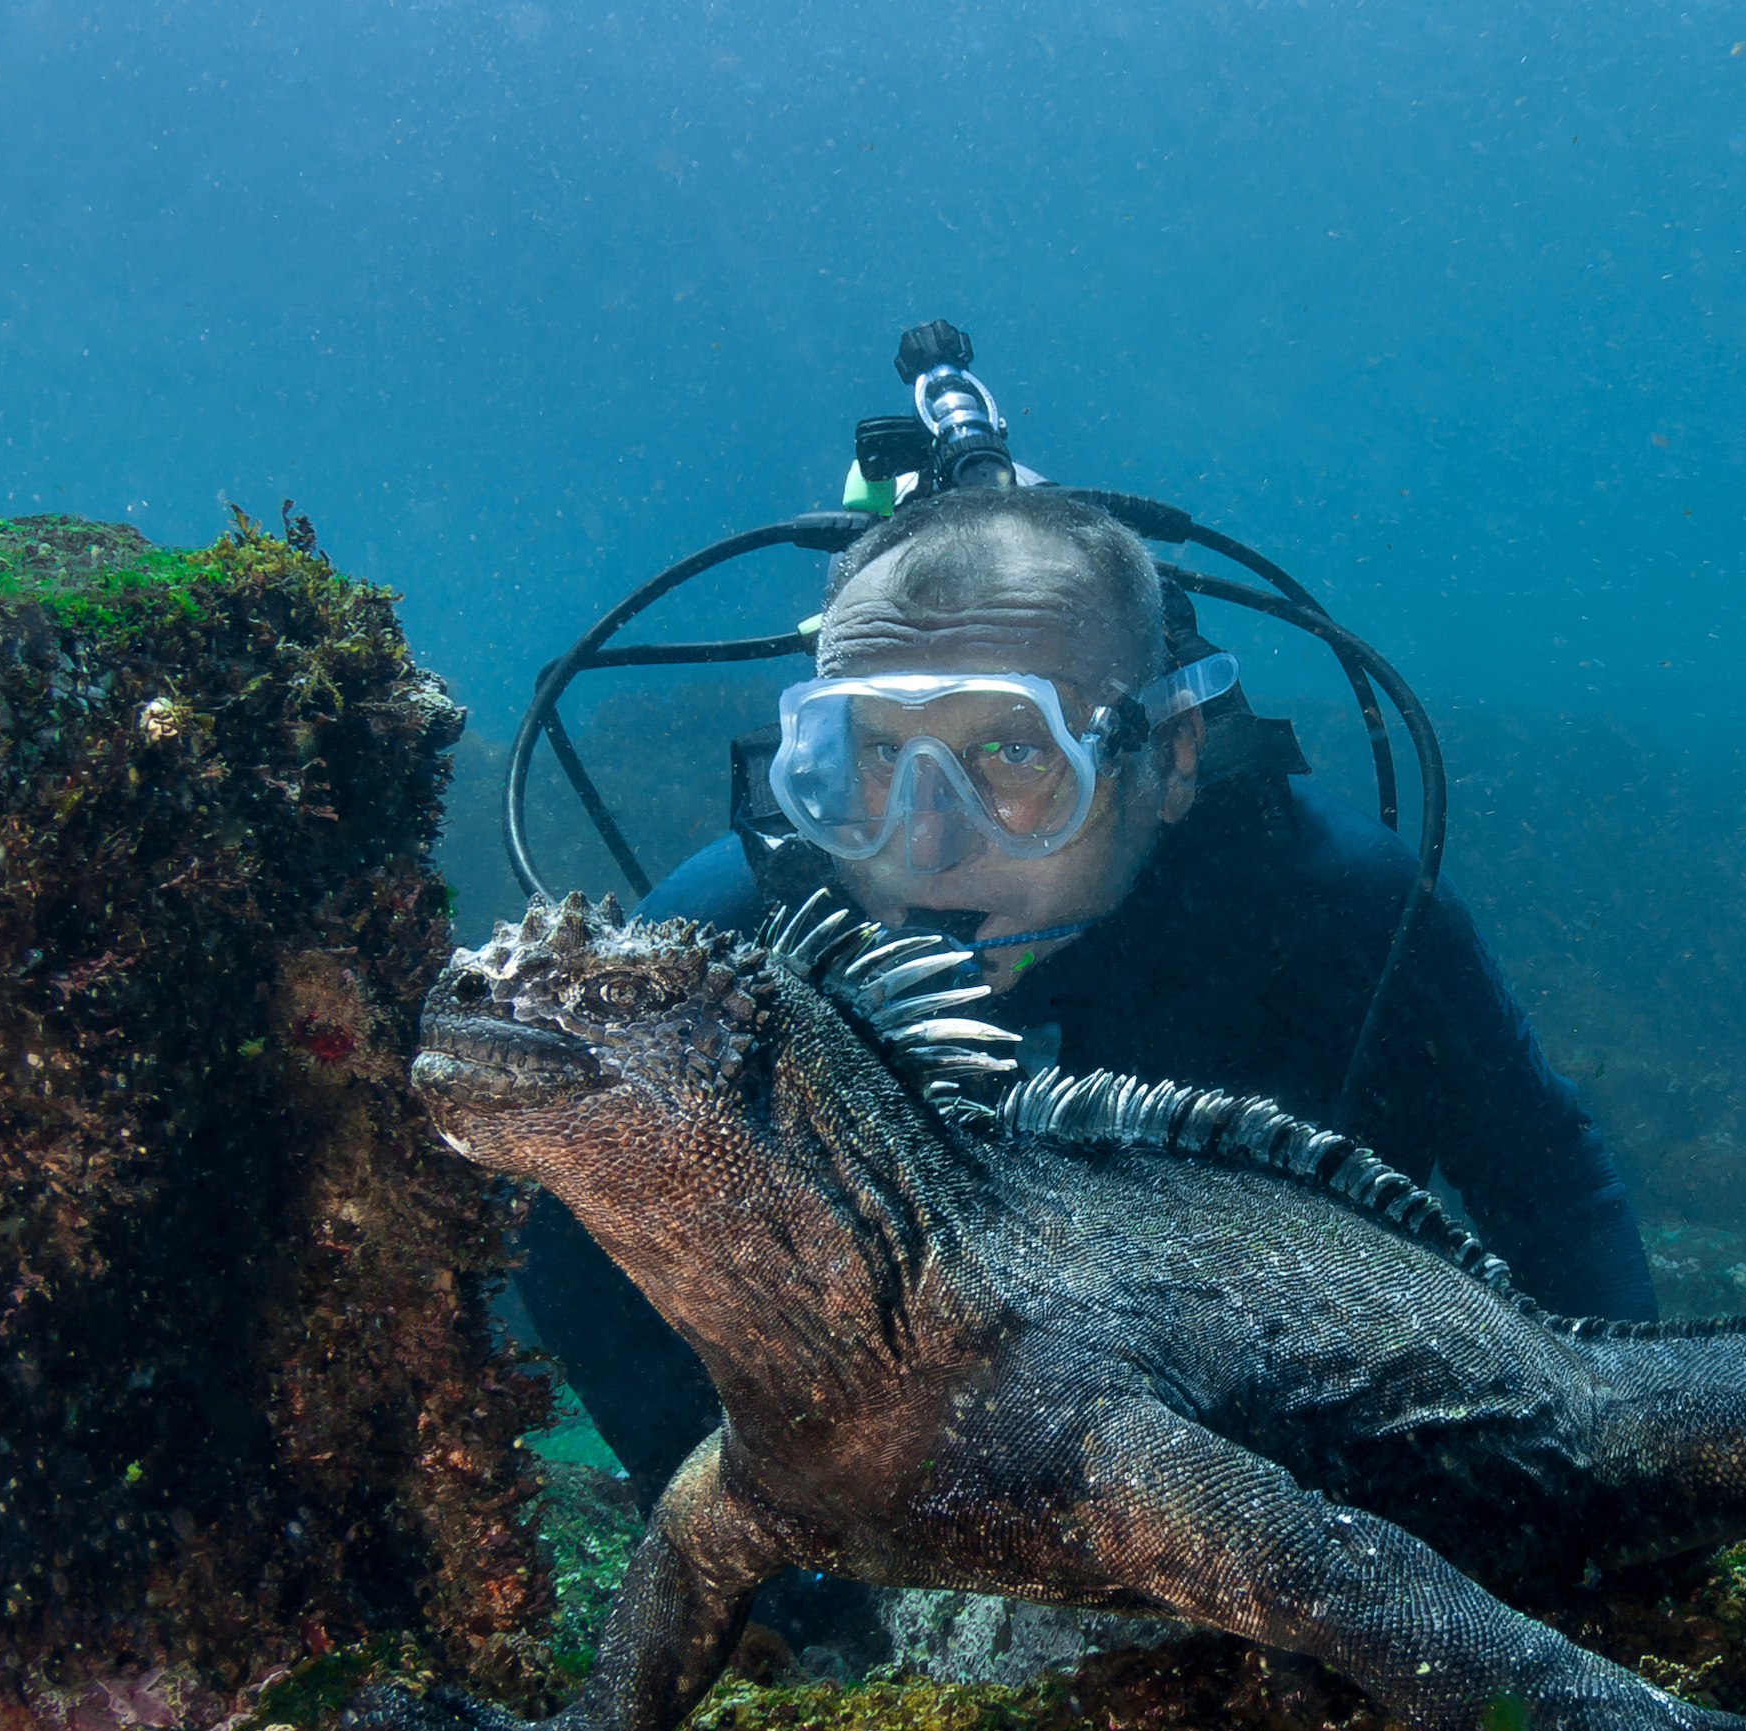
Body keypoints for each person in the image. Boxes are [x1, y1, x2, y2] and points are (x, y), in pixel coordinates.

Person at [517, 484, 1656, 1531]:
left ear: (1171, 756)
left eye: (1012, 751)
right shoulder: (731, 941)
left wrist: (1616, 1490)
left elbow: (1548, 1182)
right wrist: (786, 1565)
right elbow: (567, 1242)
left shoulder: (1340, 917)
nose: (925, 838)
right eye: (870, 751)